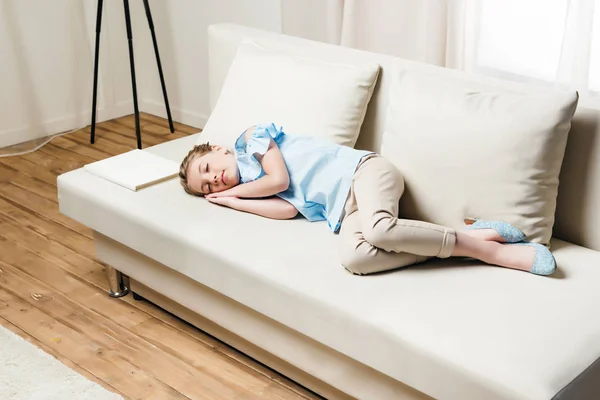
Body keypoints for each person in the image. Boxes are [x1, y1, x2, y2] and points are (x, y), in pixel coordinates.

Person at [178, 123, 556, 276]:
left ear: (217, 148)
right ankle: (475, 236)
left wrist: (233, 191)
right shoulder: (253, 189)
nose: (214, 180)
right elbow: (287, 208)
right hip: (348, 210)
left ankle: (494, 253)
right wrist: (234, 203)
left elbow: (279, 178)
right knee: (355, 257)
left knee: (379, 230)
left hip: (365, 173)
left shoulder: (251, 140)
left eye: (209, 169)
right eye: (208, 187)